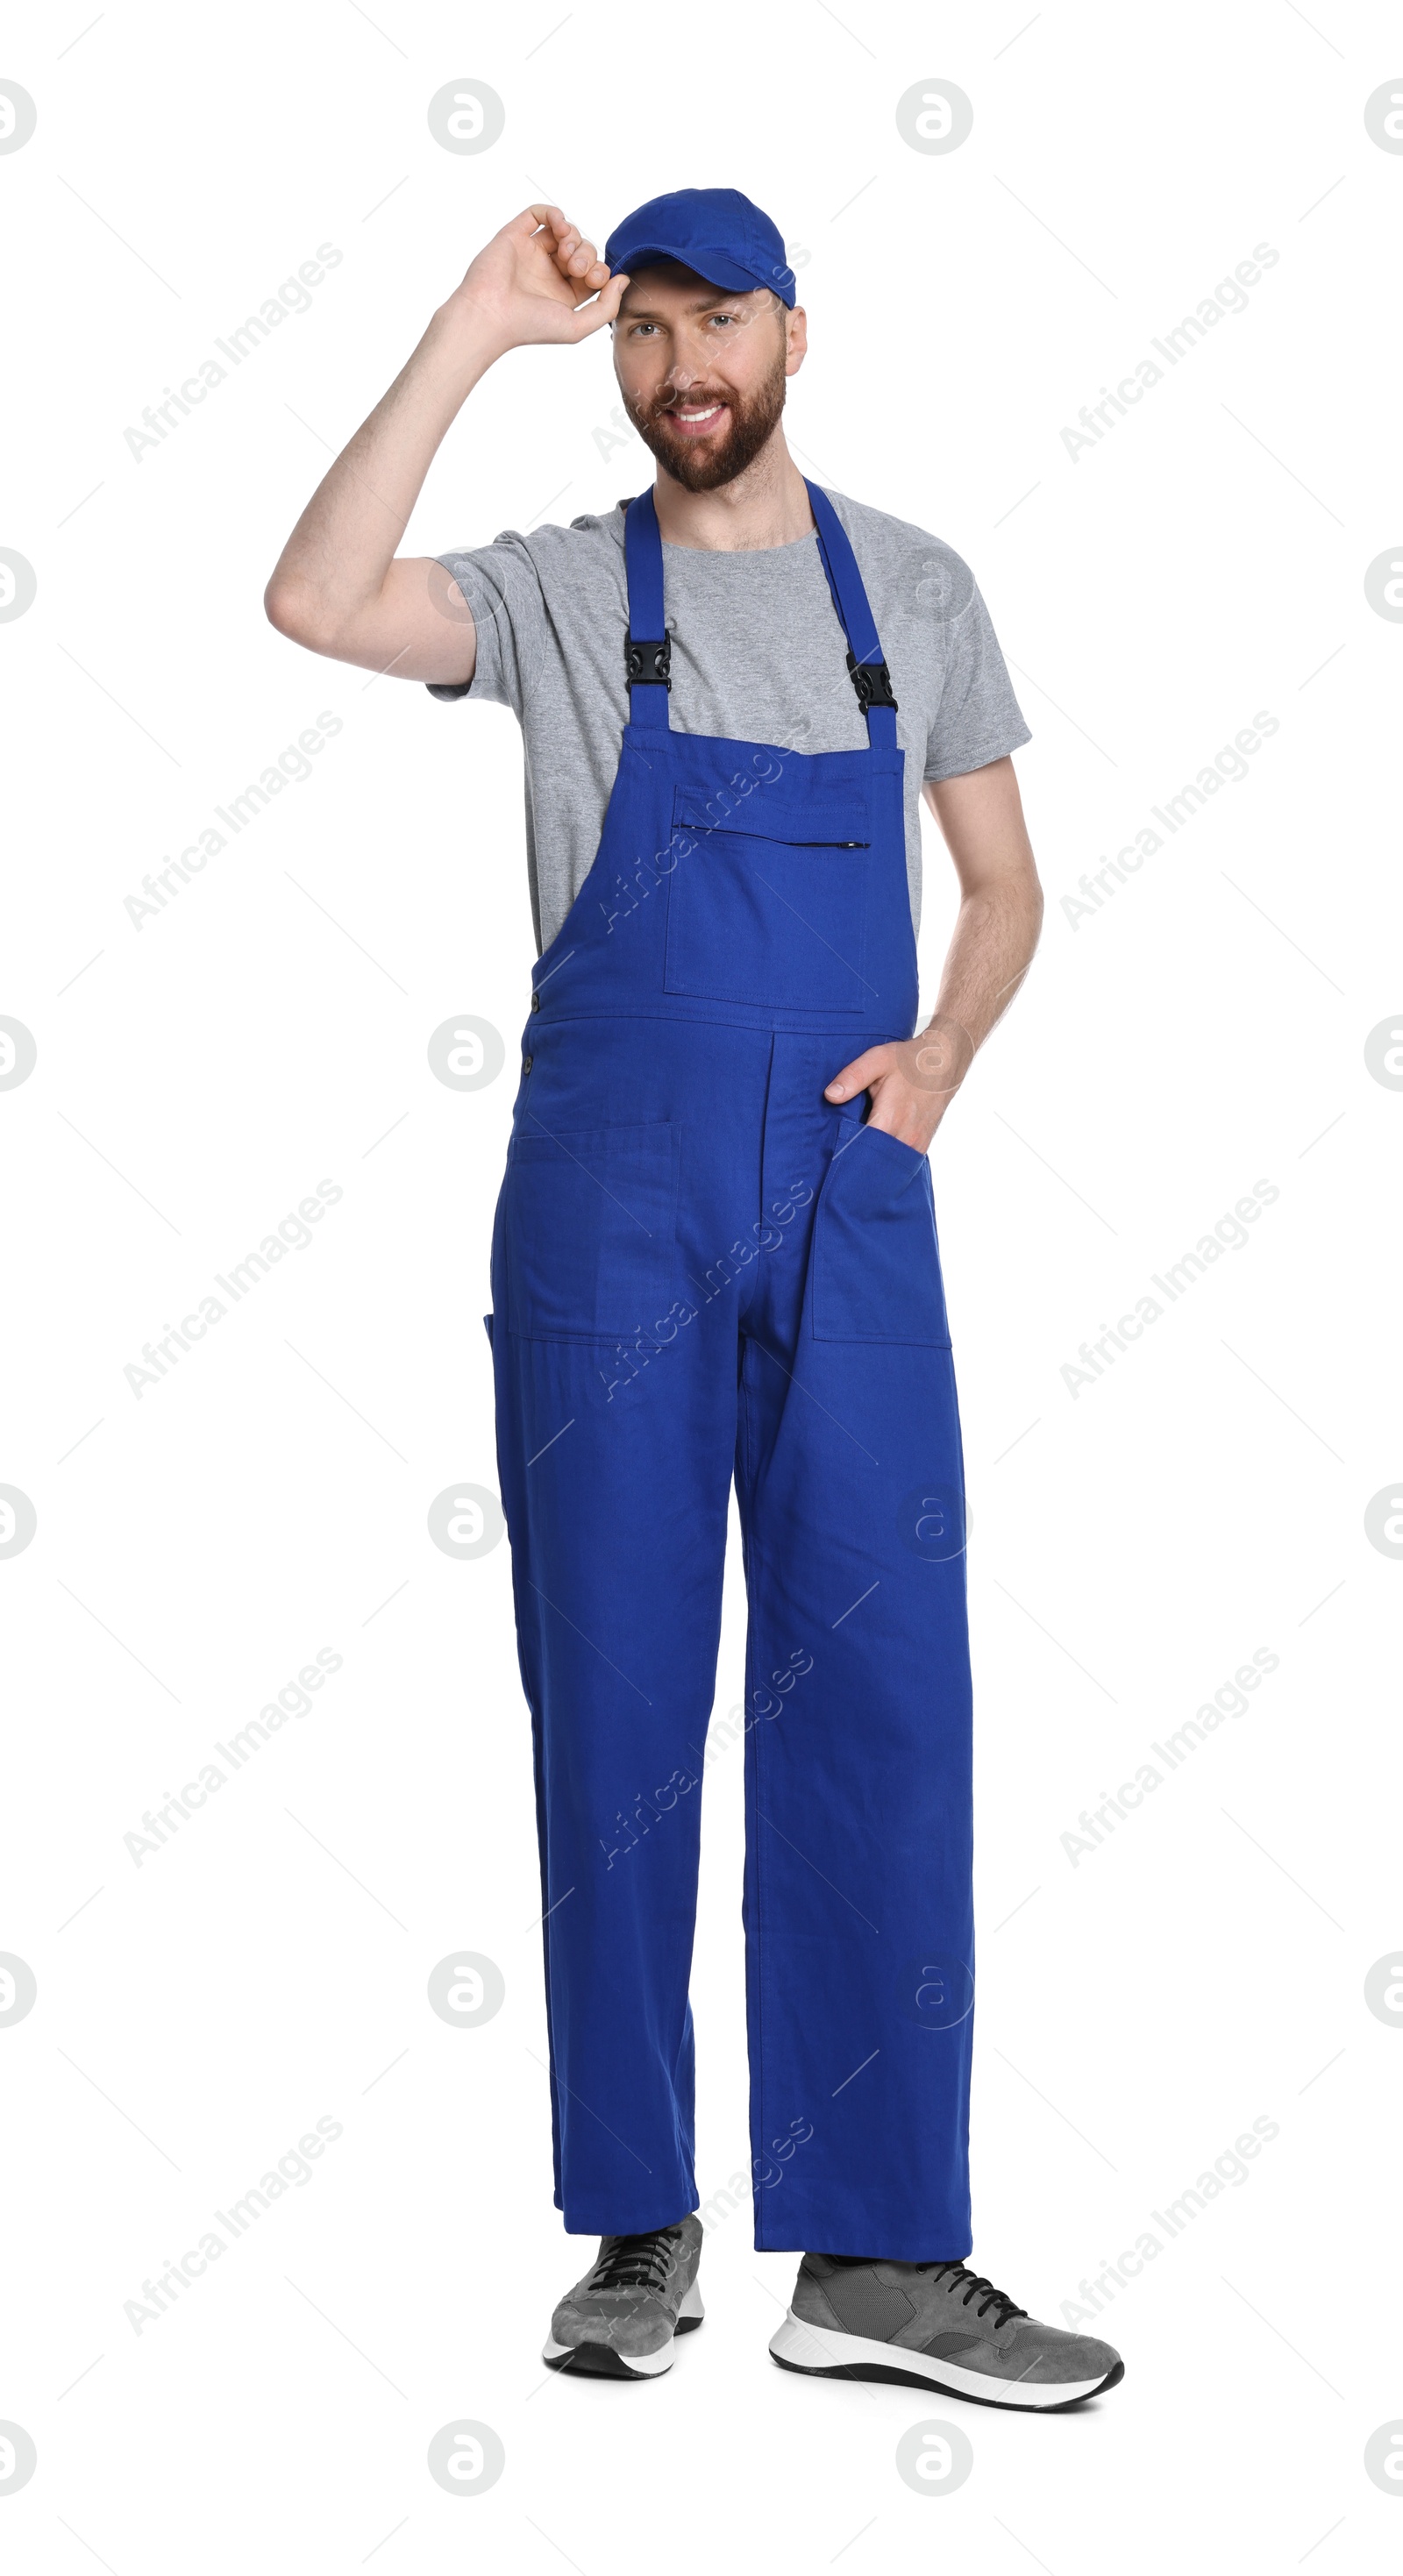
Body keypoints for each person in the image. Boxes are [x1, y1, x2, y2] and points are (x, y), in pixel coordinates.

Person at [266, 187, 1124, 2409]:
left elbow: (1008, 882)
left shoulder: (910, 589)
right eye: (641, 333)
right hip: (608, 1209)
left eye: (710, 322)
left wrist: (936, 1060)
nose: (676, 367)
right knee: (621, 1713)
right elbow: (314, 594)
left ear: (793, 336)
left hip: (849, 1191)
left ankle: (873, 2255)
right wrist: (475, 322)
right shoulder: (562, 595)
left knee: (886, 1703)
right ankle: (638, 2221)